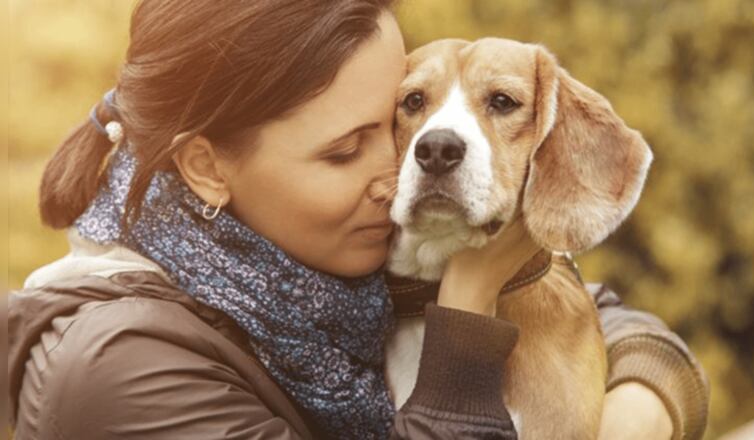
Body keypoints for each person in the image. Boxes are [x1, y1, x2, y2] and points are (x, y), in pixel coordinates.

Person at [8, 1, 709, 439]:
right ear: (207, 170)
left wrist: (638, 409)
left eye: (393, 124)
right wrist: (465, 308)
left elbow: (595, 313)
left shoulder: (315, 253)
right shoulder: (120, 376)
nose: (395, 175)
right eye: (345, 150)